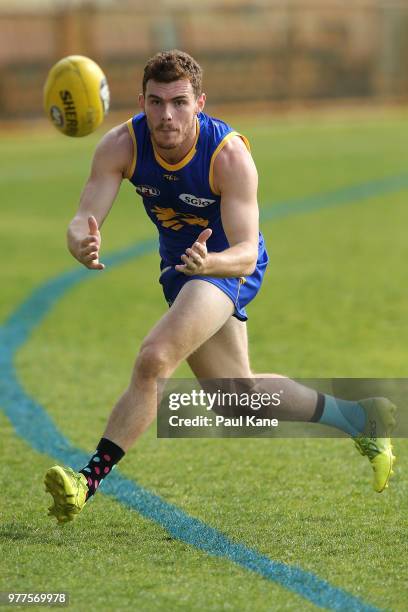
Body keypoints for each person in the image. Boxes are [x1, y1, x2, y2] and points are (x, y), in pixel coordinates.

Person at [44, 50, 396, 523]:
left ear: (200, 103)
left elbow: (248, 251)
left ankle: (86, 480)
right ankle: (360, 417)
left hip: (228, 263)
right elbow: (81, 218)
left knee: (154, 358)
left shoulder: (228, 156)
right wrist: (80, 241)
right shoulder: (120, 145)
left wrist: (211, 261)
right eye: (156, 102)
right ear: (142, 102)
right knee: (238, 399)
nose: (167, 115)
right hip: (183, 270)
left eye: (179, 102)